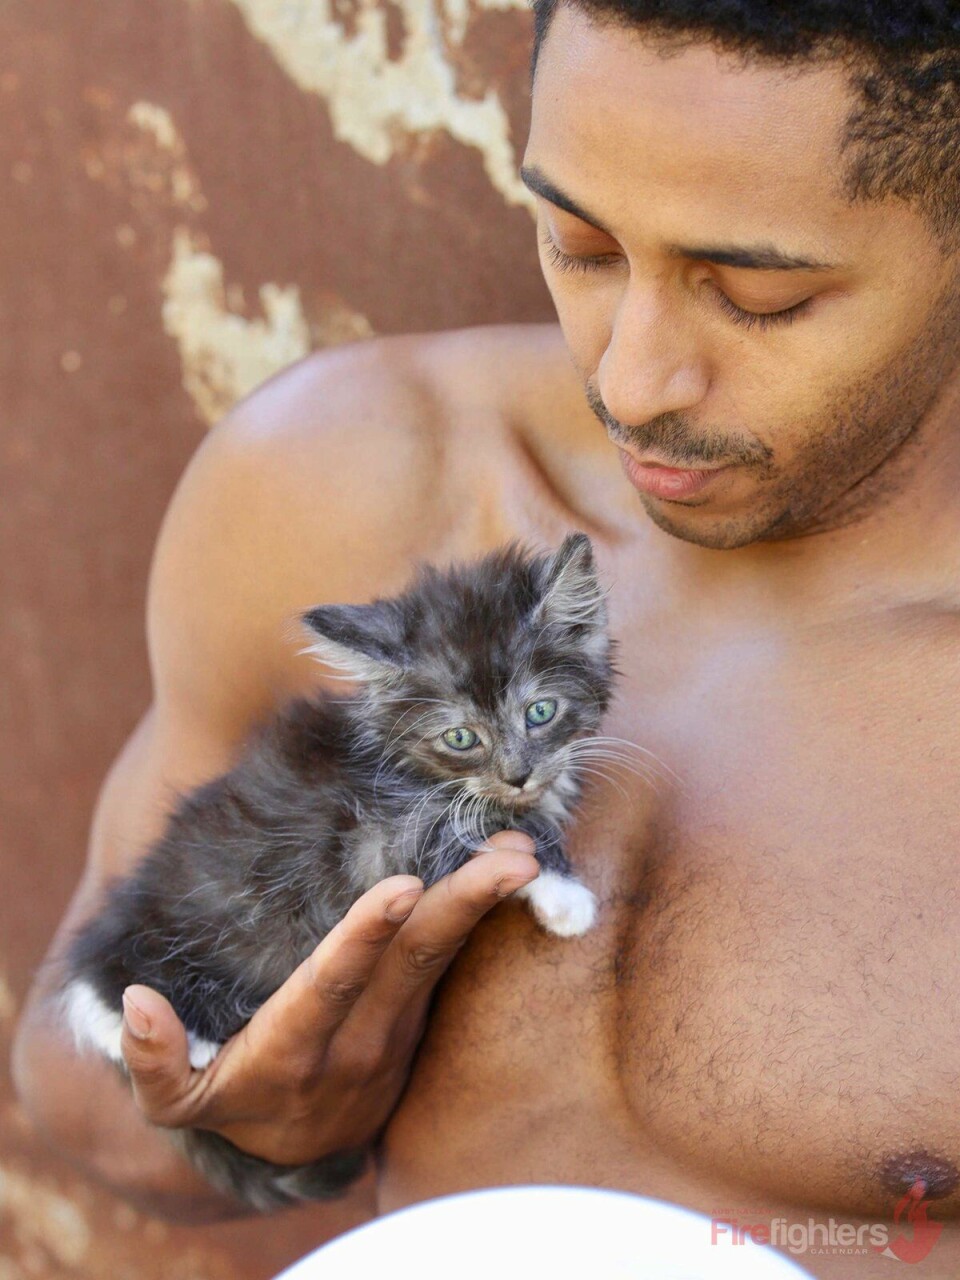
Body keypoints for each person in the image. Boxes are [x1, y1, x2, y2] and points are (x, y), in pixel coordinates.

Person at [12, 1, 960, 1274]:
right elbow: (72, 1089)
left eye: (757, 296)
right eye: (575, 243)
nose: (630, 383)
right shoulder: (346, 483)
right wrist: (264, 1119)